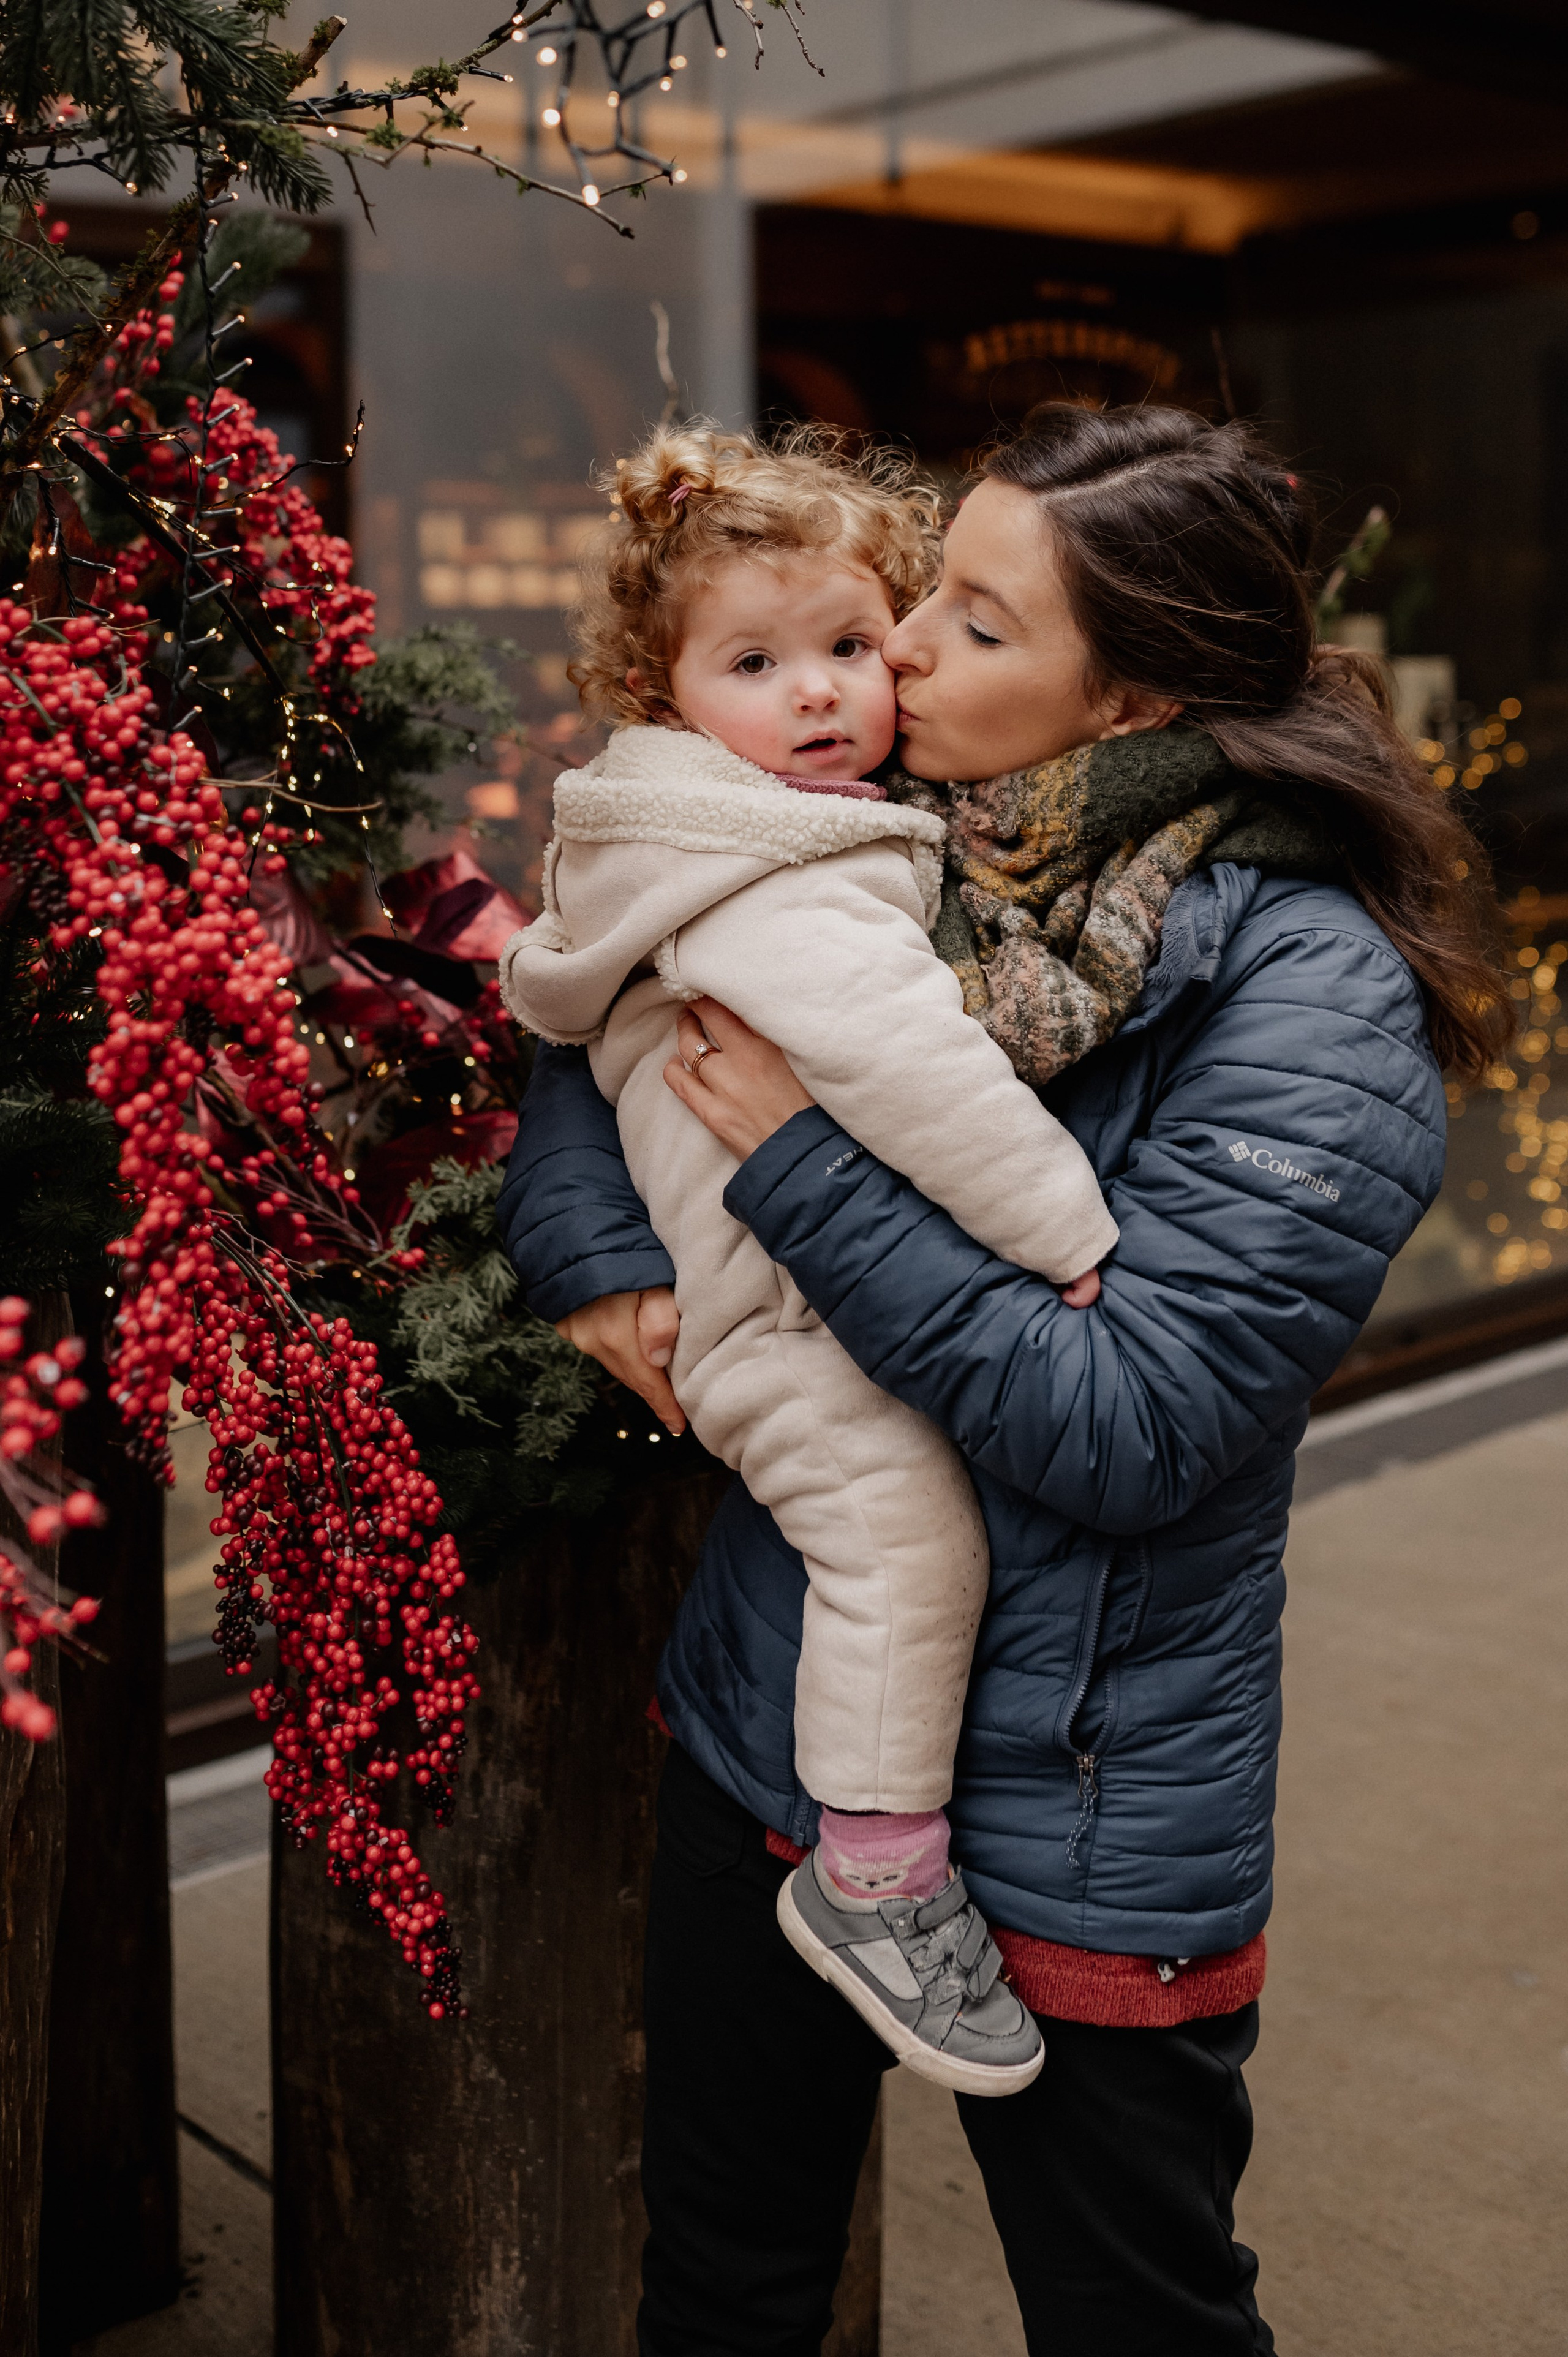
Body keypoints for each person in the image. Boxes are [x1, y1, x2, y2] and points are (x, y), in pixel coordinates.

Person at [497, 404, 1511, 2357]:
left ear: (1121, 688)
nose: (892, 655)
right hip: (771, 1730)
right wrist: (603, 1253)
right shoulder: (867, 829)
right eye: (919, 597)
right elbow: (598, 1000)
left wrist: (792, 1165)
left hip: (1084, 1798)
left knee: (1134, 2319)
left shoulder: (1311, 996)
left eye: (968, 622)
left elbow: (1132, 1423)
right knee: (722, 2282)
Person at [497, 422, 1126, 2095]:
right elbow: (920, 1077)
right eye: (759, 663)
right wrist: (1070, 1236)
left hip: (774, 1293)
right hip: (777, 1319)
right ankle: (876, 1877)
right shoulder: (782, 878)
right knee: (904, 1540)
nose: (823, 696)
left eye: (852, 648)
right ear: (668, 683)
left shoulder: (707, 834)